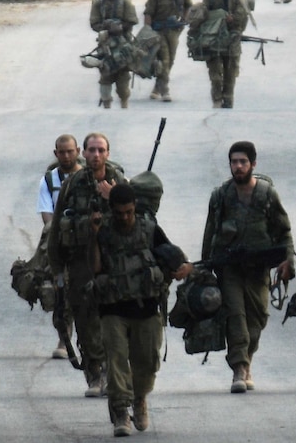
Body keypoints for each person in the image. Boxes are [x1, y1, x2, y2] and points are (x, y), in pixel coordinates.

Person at [90, 183, 193, 436]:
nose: (124, 217)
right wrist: (94, 235)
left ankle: (140, 399)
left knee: (146, 364)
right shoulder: (103, 232)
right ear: (111, 210)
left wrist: (184, 268)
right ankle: (121, 410)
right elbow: (95, 268)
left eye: (128, 211)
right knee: (116, 362)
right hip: (113, 308)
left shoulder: (149, 230)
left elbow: (174, 256)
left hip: (146, 308)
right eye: (119, 213)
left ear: (135, 207)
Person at [201, 141, 295, 393]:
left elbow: (283, 230)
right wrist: (204, 270)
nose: (238, 166)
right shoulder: (221, 196)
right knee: (236, 317)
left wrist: (288, 262)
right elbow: (210, 233)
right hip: (230, 269)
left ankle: (247, 359)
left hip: (258, 269)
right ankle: (239, 369)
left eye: (243, 162)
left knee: (257, 319)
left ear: (253, 164)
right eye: (234, 161)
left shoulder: (266, 195)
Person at [48, 132, 126, 397]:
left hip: (115, 263)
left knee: (114, 320)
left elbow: (137, 222)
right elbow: (57, 228)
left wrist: (112, 199)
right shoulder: (73, 185)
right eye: (91, 150)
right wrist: (57, 272)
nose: (95, 155)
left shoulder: (119, 182)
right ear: (84, 152)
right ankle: (94, 373)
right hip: (80, 261)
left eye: (100, 150)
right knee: (85, 319)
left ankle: (111, 372)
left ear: (108, 152)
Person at [36, 134, 83, 359]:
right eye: (61, 152)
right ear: (56, 154)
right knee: (58, 291)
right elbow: (46, 213)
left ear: (78, 151)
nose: (66, 156)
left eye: (70, 151)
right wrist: (58, 233)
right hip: (60, 242)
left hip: (86, 241)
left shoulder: (88, 176)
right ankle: (64, 340)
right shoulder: (49, 180)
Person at [201, 0, 250, 109]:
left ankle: (228, 98)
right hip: (214, 38)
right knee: (215, 72)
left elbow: (243, 16)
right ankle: (217, 99)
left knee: (231, 71)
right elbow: (203, 12)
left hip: (233, 37)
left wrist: (233, 20)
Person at [143, 0, 193, 102]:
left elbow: (189, 5)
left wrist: (185, 18)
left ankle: (157, 87)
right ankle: (165, 90)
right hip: (159, 30)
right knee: (164, 59)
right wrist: (147, 32)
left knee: (170, 61)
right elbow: (148, 12)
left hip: (174, 31)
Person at [89, 0, 138, 109]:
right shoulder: (99, 3)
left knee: (123, 76)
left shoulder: (125, 2)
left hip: (123, 44)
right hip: (106, 44)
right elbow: (94, 23)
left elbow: (132, 20)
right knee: (105, 72)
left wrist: (121, 27)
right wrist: (106, 28)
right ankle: (106, 103)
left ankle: (124, 101)